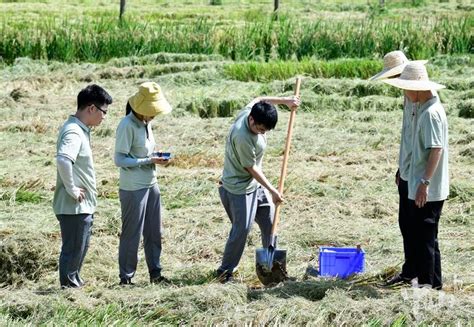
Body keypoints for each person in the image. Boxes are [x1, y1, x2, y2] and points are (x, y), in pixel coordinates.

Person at [216, 95, 300, 283]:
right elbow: (251, 168)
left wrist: (286, 101)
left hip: (254, 184)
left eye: (265, 131)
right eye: (260, 129)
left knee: (270, 222)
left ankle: (273, 269)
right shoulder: (242, 136)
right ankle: (225, 272)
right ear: (252, 120)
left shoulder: (252, 111)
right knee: (242, 230)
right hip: (238, 187)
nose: (262, 133)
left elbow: (259, 98)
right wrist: (272, 190)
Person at [383, 62, 448, 289]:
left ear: (417, 88)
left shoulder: (430, 113)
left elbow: (436, 149)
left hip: (426, 187)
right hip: (415, 179)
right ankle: (422, 281)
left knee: (426, 239)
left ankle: (430, 287)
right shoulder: (420, 105)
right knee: (418, 234)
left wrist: (424, 182)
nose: (404, 93)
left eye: (405, 88)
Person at [370, 50, 428, 286]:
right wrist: (400, 168)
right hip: (406, 171)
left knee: (418, 228)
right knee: (405, 223)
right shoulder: (408, 97)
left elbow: (422, 143)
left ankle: (419, 275)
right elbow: (406, 138)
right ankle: (409, 270)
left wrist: (420, 177)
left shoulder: (420, 98)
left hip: (417, 174)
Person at [53, 84, 113, 288]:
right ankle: (68, 288)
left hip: (82, 205)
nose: (104, 117)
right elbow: (63, 159)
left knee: (81, 247)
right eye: (104, 112)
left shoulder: (81, 130)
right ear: (91, 108)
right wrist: (71, 189)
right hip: (74, 206)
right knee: (73, 248)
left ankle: (75, 280)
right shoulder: (74, 132)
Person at [114, 82, 172, 285]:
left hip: (150, 183)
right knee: (132, 233)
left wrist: (156, 158)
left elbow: (144, 153)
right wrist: (148, 161)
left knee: (154, 231)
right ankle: (126, 278)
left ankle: (155, 273)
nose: (154, 115)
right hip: (133, 188)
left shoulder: (147, 123)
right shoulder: (126, 125)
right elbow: (120, 160)